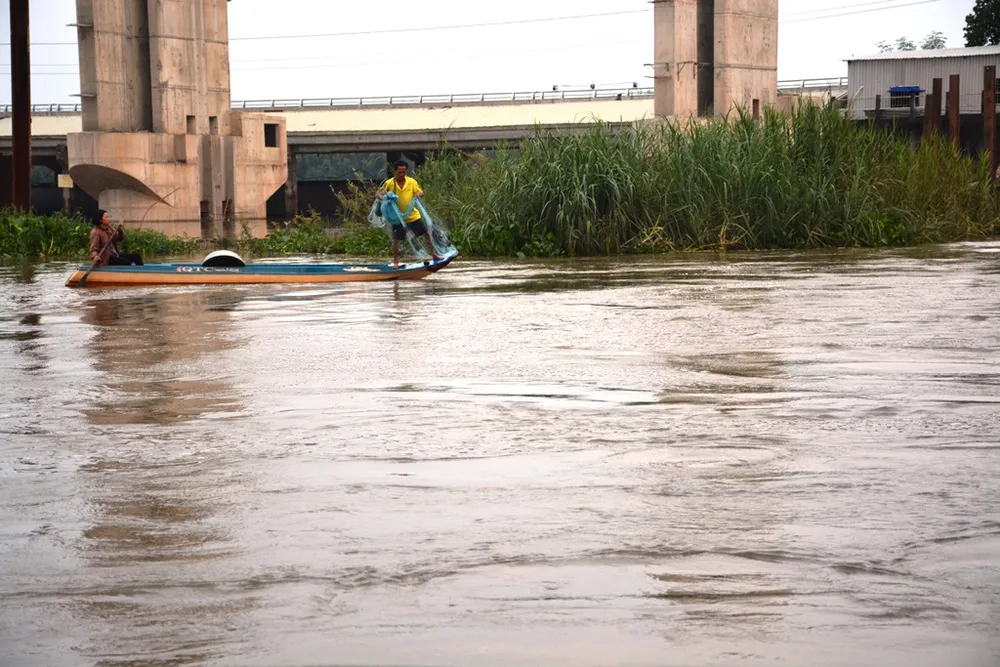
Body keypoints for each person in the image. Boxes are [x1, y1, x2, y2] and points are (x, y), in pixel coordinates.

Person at [378, 160, 442, 267]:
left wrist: (419, 194)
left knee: (426, 234)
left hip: (412, 215)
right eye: (400, 172)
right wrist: (383, 195)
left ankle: (434, 254)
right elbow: (378, 194)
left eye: (404, 172)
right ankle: (396, 262)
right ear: (395, 171)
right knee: (396, 240)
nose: (402, 175)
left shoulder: (412, 182)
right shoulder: (389, 183)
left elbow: (420, 192)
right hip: (397, 217)